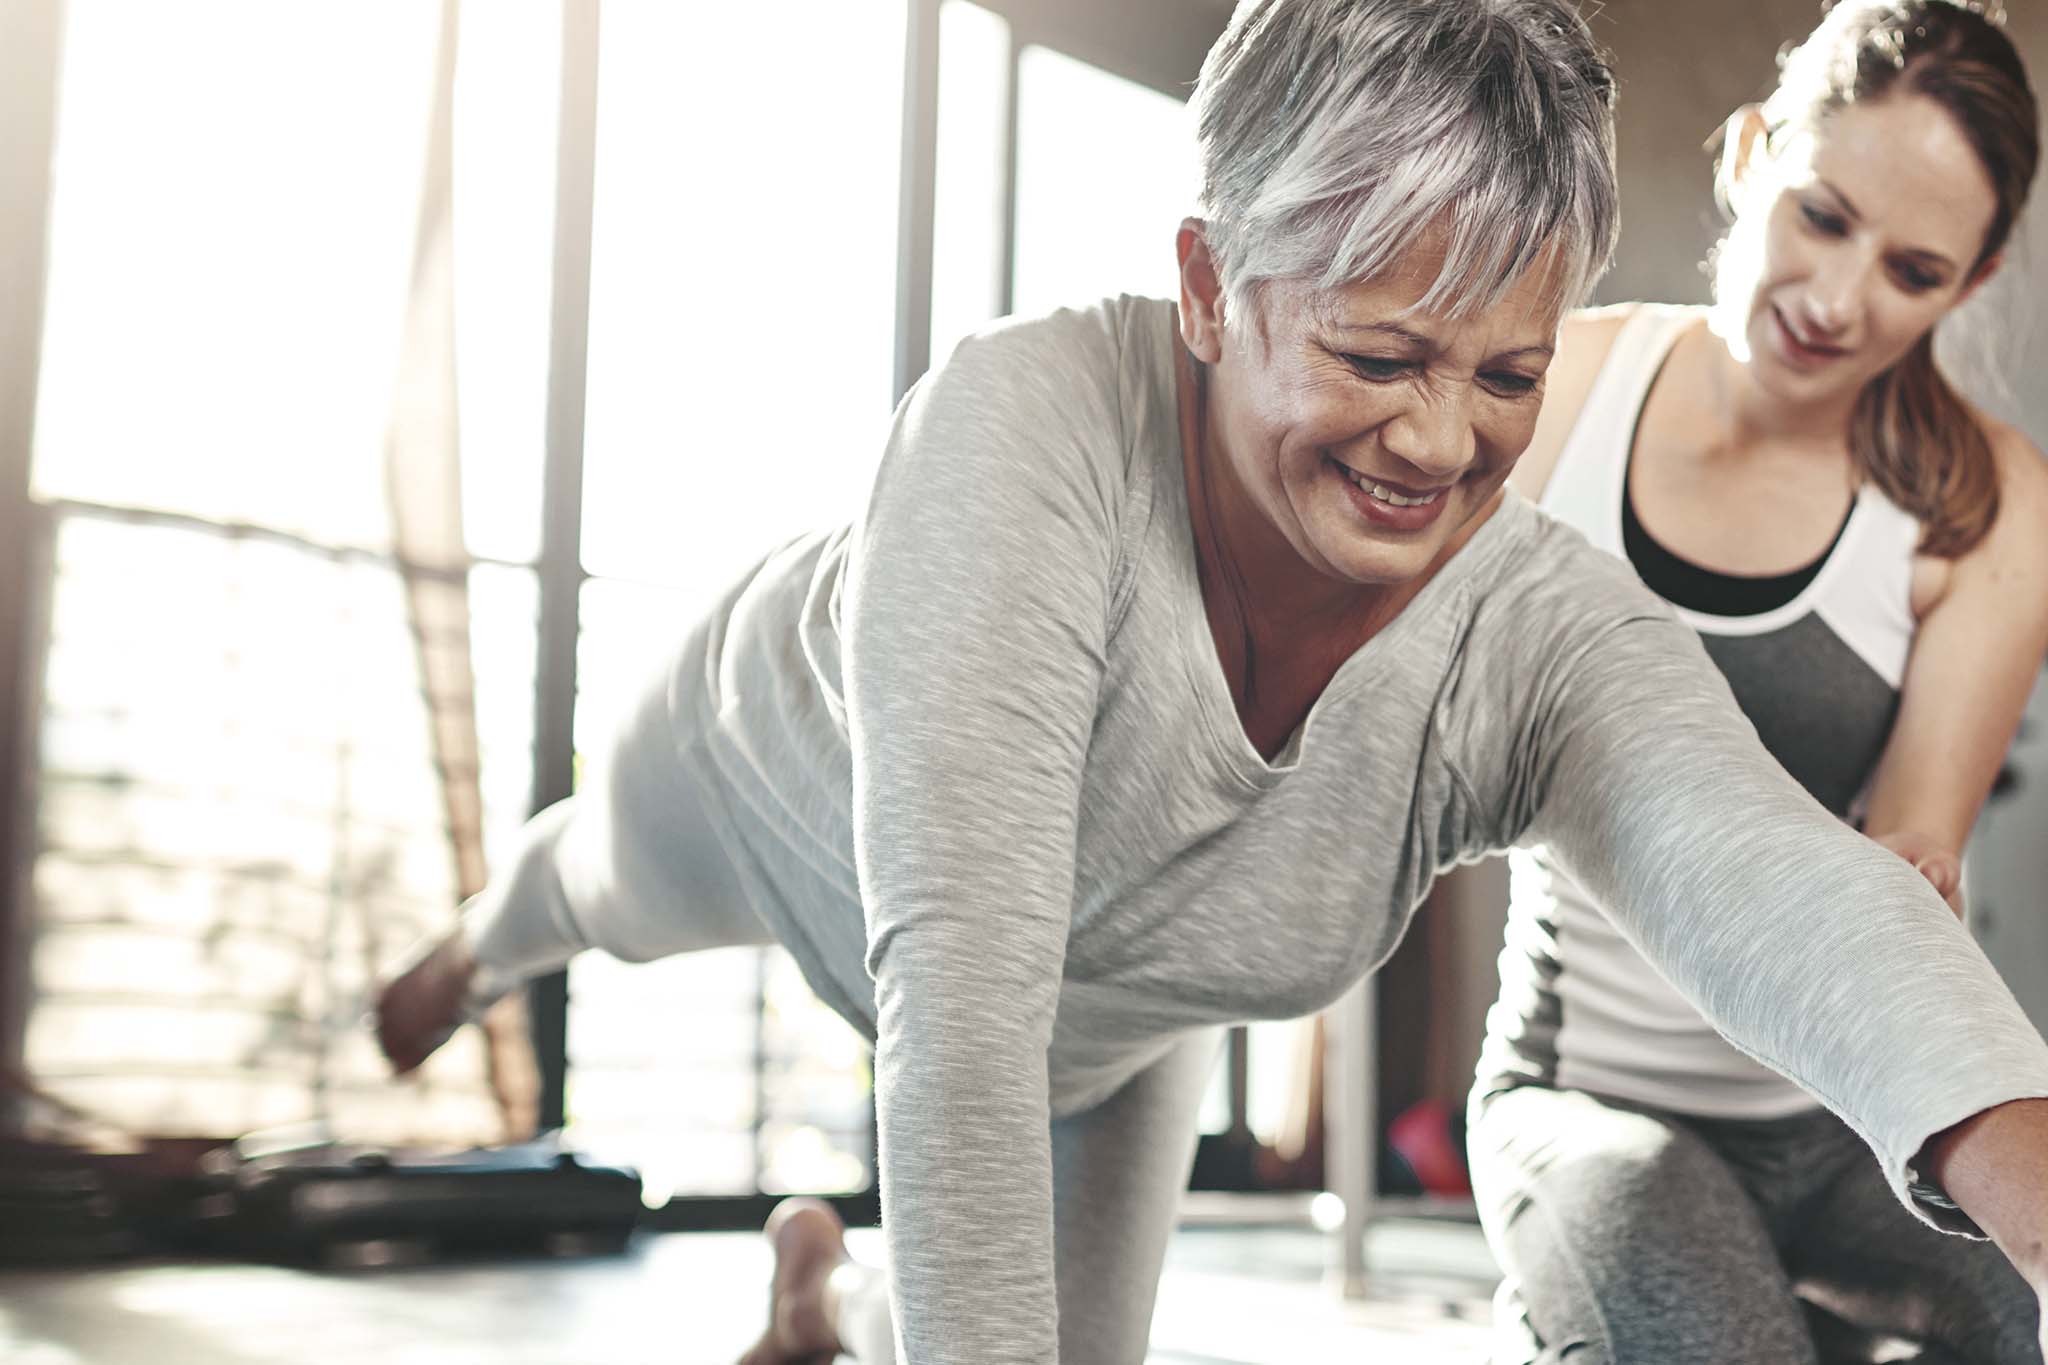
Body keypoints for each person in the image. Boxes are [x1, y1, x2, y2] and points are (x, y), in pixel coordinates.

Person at [375, 2, 2048, 1362]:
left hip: (1114, 1021)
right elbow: (956, 1014)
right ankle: (474, 938)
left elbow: (1768, 870)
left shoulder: (1527, 619)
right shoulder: (1022, 432)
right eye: (1376, 354)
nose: (1438, 438)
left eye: (1507, 375)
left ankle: (821, 1320)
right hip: (767, 794)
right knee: (587, 880)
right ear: (1205, 283)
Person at [1467, 3, 2048, 1361]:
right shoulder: (1557, 394)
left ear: (1974, 282)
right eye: (1823, 215)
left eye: (1913, 269)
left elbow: (1910, 851)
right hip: (1595, 1092)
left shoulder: (1993, 504)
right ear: (1748, 158)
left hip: (1848, 1114)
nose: (1841, 299)